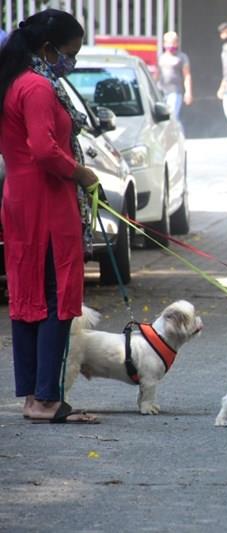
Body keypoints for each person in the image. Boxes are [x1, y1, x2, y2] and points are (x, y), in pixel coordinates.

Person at [0, 9, 101, 423]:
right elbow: (44, 150)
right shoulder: (39, 87)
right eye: (69, 53)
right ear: (47, 48)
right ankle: (46, 400)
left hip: (21, 198)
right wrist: (82, 173)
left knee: (29, 298)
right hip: (47, 201)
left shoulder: (14, 82)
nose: (71, 61)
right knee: (57, 298)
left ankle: (33, 397)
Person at [156, 31, 192, 126]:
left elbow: (187, 75)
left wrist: (188, 92)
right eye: (168, 42)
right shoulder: (161, 57)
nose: (171, 45)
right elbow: (157, 74)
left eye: (173, 42)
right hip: (161, 91)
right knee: (163, 118)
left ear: (177, 43)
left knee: (172, 116)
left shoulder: (182, 57)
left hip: (175, 92)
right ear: (164, 43)